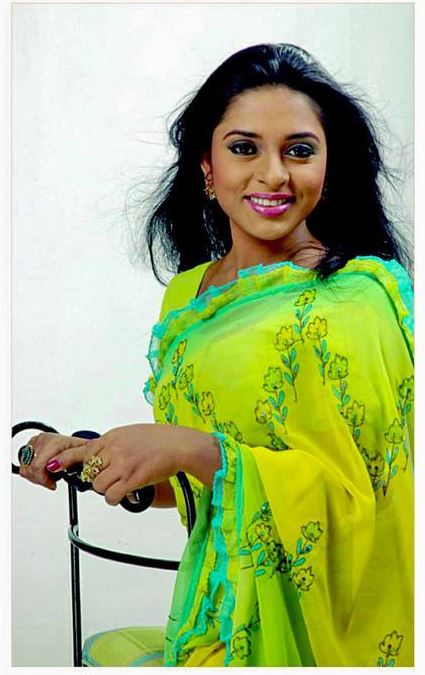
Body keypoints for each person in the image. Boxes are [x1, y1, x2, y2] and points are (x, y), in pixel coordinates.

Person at [19, 43, 413, 666]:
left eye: (299, 151)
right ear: (206, 165)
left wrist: (196, 450)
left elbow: (370, 505)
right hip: (213, 610)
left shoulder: (356, 302)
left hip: (314, 635)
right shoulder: (189, 295)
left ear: (329, 167)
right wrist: (96, 458)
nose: (273, 175)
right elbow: (203, 487)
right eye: (244, 148)